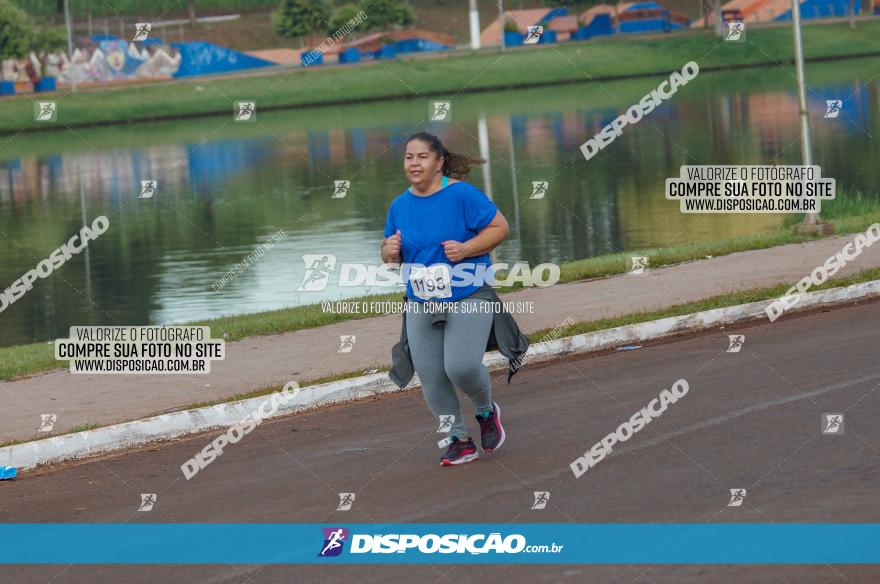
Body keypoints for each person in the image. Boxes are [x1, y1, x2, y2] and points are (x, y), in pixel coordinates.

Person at [381, 132, 510, 466]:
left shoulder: (462, 195)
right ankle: (459, 440)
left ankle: (485, 412)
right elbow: (387, 250)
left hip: (469, 293)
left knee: (461, 366)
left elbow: (499, 227)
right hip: (421, 301)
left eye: (422, 156)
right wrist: (389, 251)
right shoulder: (399, 205)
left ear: (439, 162)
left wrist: (467, 249)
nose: (414, 163)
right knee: (432, 375)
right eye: (409, 156)